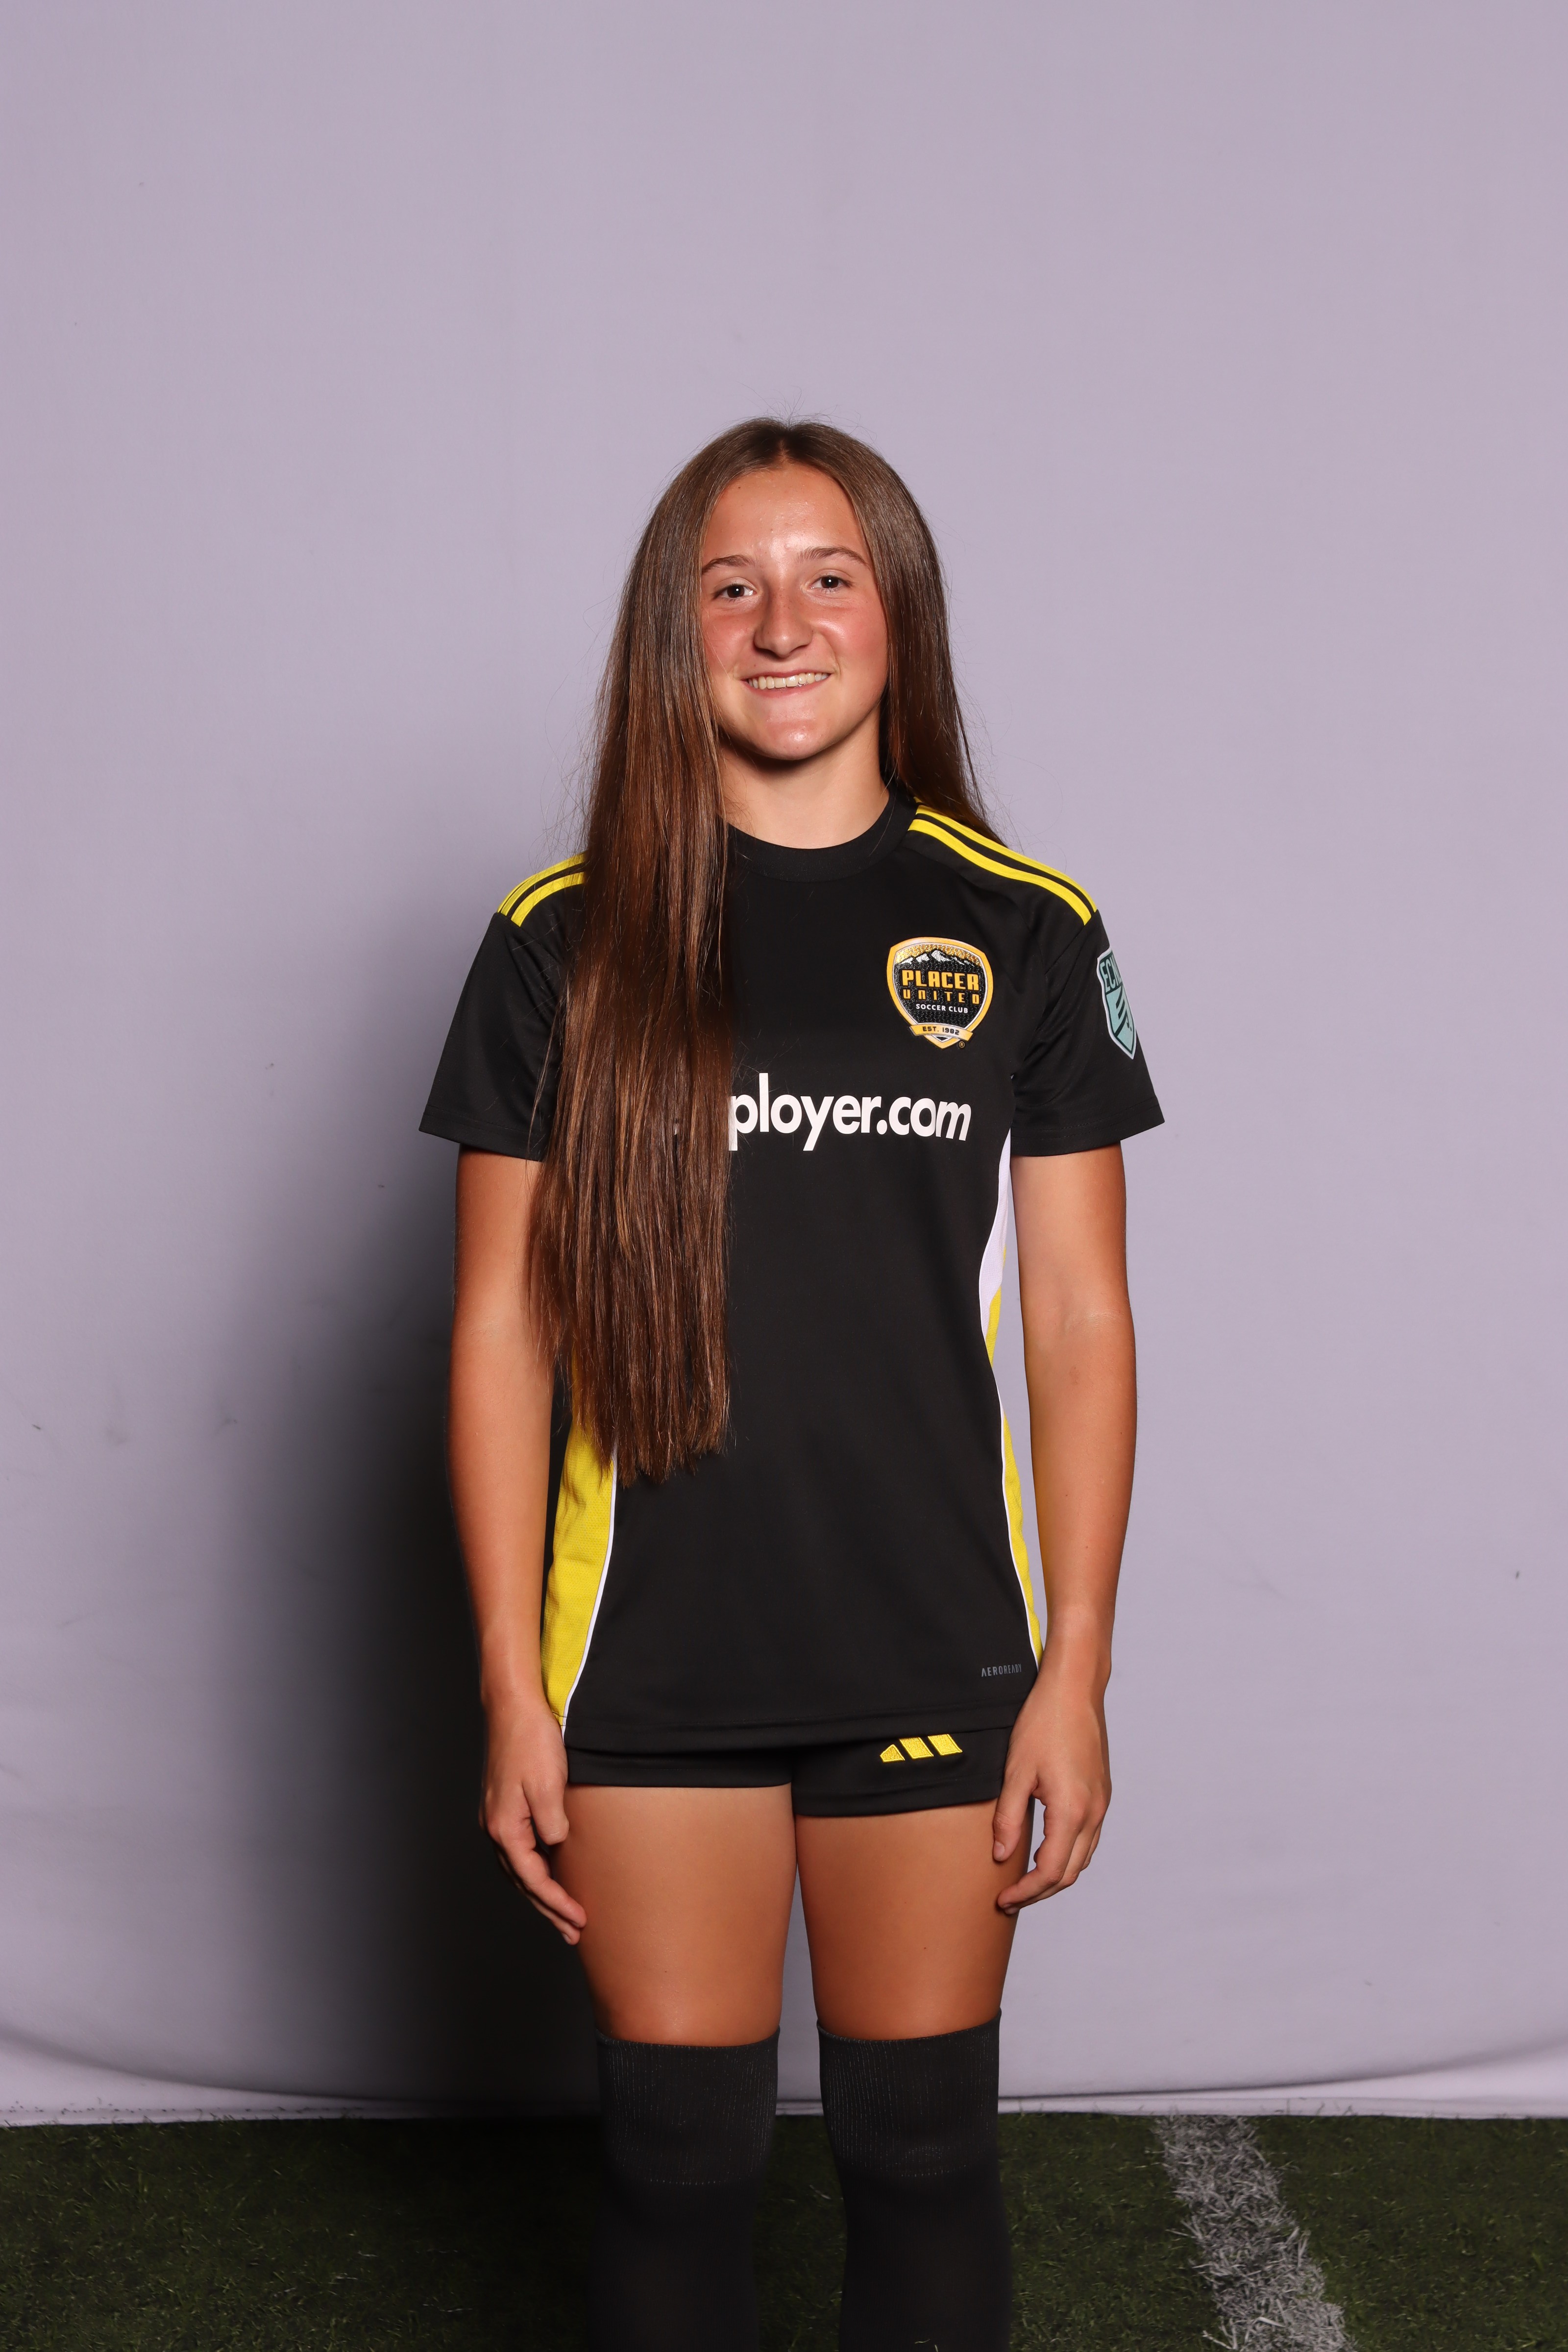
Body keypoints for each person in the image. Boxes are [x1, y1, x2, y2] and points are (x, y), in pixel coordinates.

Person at [420, 418, 1162, 2352]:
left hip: (932, 1642)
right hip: (648, 1659)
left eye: (828, 577)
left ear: (896, 615)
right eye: (727, 585)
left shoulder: (1025, 926)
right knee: (680, 2162)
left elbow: (1080, 1321)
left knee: (920, 2155)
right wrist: (508, 1680)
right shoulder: (560, 938)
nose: (780, 623)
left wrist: (1075, 1666)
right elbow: (498, 1331)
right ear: (669, 635)